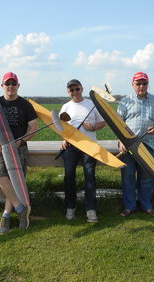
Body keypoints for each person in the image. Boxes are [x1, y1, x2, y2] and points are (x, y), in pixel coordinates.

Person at [0, 72, 38, 234]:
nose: (10, 86)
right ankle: (20, 208)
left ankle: (6, 214)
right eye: (7, 84)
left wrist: (20, 141)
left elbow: (33, 128)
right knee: (0, 175)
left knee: (14, 179)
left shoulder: (25, 105)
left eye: (13, 83)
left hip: (18, 147)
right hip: (0, 147)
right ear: (2, 86)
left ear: (18, 86)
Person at [117, 72, 154, 217]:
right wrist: (122, 141)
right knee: (128, 175)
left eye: (144, 83)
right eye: (138, 83)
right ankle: (129, 207)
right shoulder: (125, 101)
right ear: (133, 84)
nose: (141, 86)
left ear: (148, 84)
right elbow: (118, 124)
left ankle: (147, 206)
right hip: (129, 145)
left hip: (148, 144)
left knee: (146, 177)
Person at [60, 79, 106, 223]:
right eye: (71, 90)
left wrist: (92, 127)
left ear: (82, 89)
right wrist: (64, 139)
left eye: (77, 89)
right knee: (69, 177)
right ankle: (70, 207)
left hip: (90, 147)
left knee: (90, 177)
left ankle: (91, 210)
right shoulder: (65, 107)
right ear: (68, 91)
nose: (75, 92)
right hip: (71, 147)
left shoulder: (92, 104)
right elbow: (61, 127)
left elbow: (103, 122)